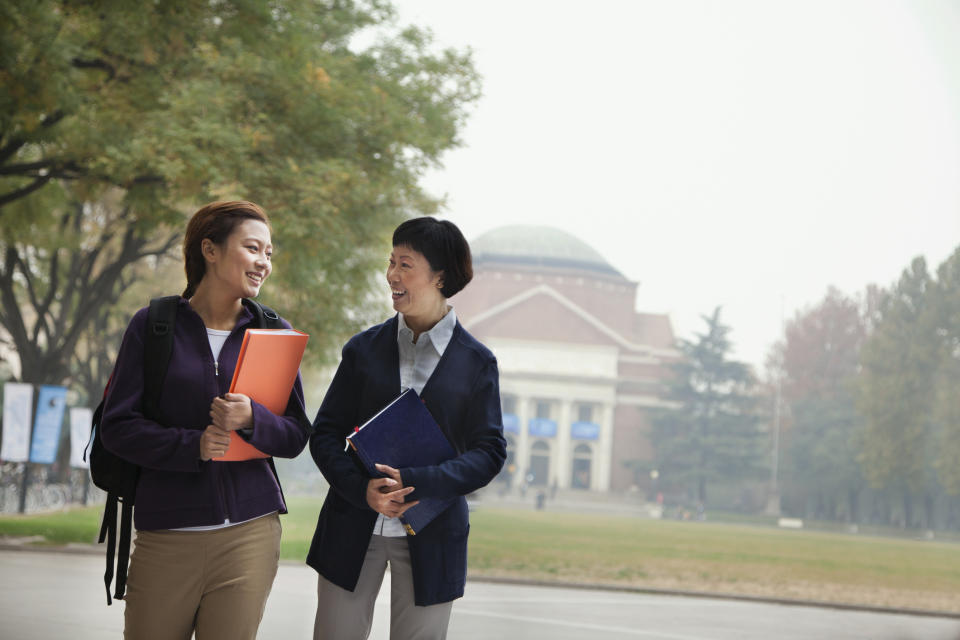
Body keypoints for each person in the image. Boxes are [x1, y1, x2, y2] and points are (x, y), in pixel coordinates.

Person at [100, 200, 310, 639]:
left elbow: (294, 435)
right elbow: (117, 427)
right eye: (253, 248)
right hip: (168, 534)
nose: (264, 263)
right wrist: (191, 445)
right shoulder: (153, 326)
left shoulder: (275, 332)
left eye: (269, 253)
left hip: (250, 537)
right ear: (210, 250)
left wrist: (254, 418)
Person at [308, 216, 507, 640]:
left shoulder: (477, 362)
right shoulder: (362, 350)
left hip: (433, 535)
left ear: (440, 276)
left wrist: (419, 482)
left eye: (406, 264)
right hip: (351, 525)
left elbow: (489, 452)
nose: (391, 275)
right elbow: (324, 434)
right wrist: (361, 489)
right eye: (391, 262)